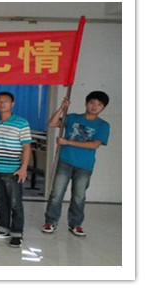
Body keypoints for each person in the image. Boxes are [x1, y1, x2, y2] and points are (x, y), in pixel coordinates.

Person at [42, 92, 111, 237]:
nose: (94, 106)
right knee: (56, 194)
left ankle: (75, 224)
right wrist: (62, 108)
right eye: (92, 102)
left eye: (99, 105)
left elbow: (94, 144)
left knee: (79, 196)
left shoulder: (103, 125)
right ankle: (50, 222)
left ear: (103, 108)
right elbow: (52, 123)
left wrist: (67, 142)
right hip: (65, 161)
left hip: (85, 165)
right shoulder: (72, 118)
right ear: (86, 103)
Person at [0, 92, 32, 249]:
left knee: (15, 203)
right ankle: (3, 229)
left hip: (13, 170)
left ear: (12, 104)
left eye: (5, 101)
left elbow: (26, 147)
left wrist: (23, 168)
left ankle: (17, 233)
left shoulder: (21, 123)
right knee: (0, 201)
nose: (1, 104)